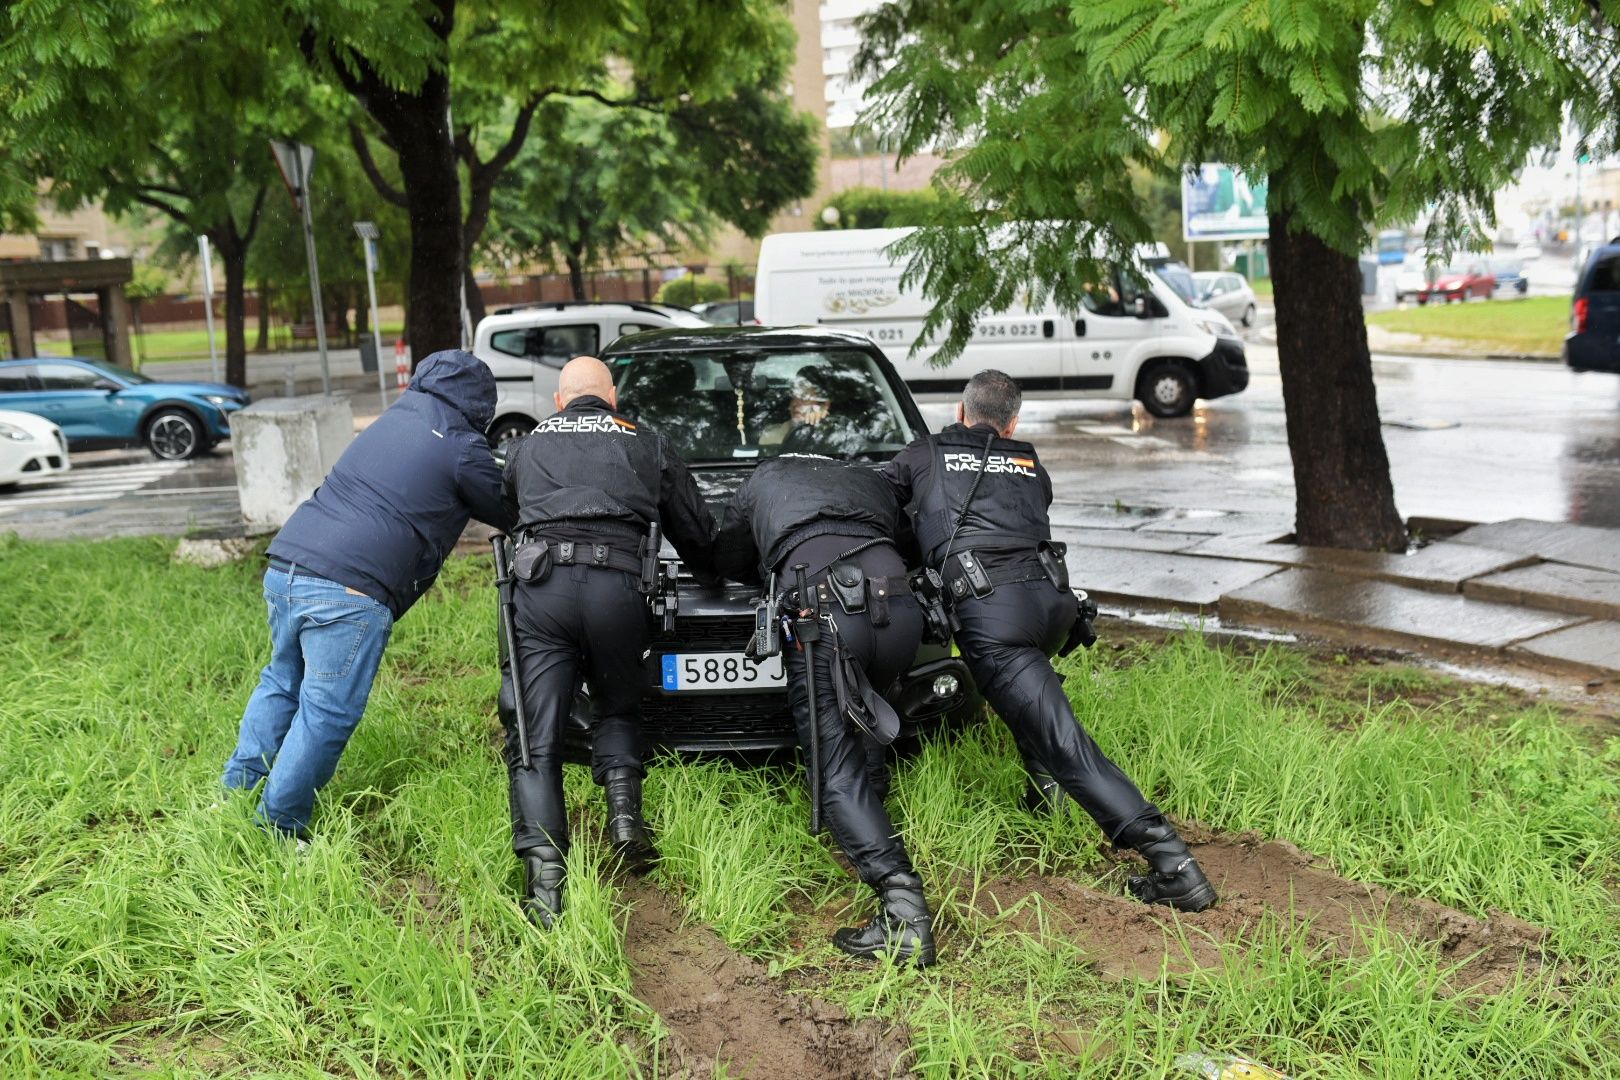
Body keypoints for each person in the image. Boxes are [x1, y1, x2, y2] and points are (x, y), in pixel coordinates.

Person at [882, 369, 1216, 913]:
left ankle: (1173, 863)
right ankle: (1044, 798)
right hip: (1053, 604)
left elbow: (893, 517)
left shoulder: (923, 454)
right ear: (1013, 423)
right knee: (1033, 694)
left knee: (1066, 741)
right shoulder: (1030, 464)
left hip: (994, 614)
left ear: (961, 412)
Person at [222, 349, 516, 841]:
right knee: (326, 711)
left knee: (280, 682)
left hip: (287, 566)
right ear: (480, 405)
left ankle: (234, 793)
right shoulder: (463, 446)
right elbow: (512, 509)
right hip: (347, 590)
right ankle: (278, 827)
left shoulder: (392, 417)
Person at [499, 355, 717, 927]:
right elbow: (695, 531)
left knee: (534, 734)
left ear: (559, 402)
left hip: (541, 589)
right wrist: (722, 573)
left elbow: (511, 509)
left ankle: (546, 886)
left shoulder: (524, 445)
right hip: (619, 589)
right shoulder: (646, 442)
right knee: (617, 702)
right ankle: (626, 822)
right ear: (613, 399)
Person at [714, 454, 936, 967]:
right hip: (899, 608)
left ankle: (903, 911)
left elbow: (726, 555)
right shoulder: (867, 476)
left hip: (826, 609)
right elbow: (909, 542)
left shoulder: (764, 476)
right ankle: (870, 815)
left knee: (832, 763)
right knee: (867, 716)